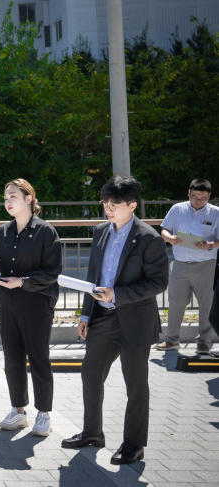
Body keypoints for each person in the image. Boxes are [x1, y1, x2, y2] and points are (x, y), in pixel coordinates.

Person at [61, 176, 169, 466]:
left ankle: (134, 445)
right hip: (102, 318)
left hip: (134, 318)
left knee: (135, 385)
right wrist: (85, 314)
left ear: (132, 205)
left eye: (115, 205)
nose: (108, 209)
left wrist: (118, 294)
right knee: (90, 374)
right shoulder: (100, 231)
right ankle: (92, 433)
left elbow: (159, 282)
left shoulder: (149, 237)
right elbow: (93, 276)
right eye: (105, 204)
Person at [0, 179, 62, 436]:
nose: (8, 201)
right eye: (5, 198)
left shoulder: (46, 231)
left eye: (13, 196)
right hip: (7, 302)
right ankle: (18, 411)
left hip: (37, 302)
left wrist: (22, 281)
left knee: (38, 358)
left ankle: (43, 413)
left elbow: (52, 272)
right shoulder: (2, 231)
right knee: (12, 358)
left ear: (29, 199)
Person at [156, 178, 219, 354]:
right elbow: (164, 229)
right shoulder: (178, 209)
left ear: (209, 196)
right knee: (175, 302)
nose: (198, 201)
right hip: (180, 264)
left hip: (206, 265)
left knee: (207, 304)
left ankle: (204, 342)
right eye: (195, 197)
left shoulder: (216, 213)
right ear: (189, 193)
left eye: (203, 198)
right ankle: (171, 340)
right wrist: (170, 239)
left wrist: (210, 244)